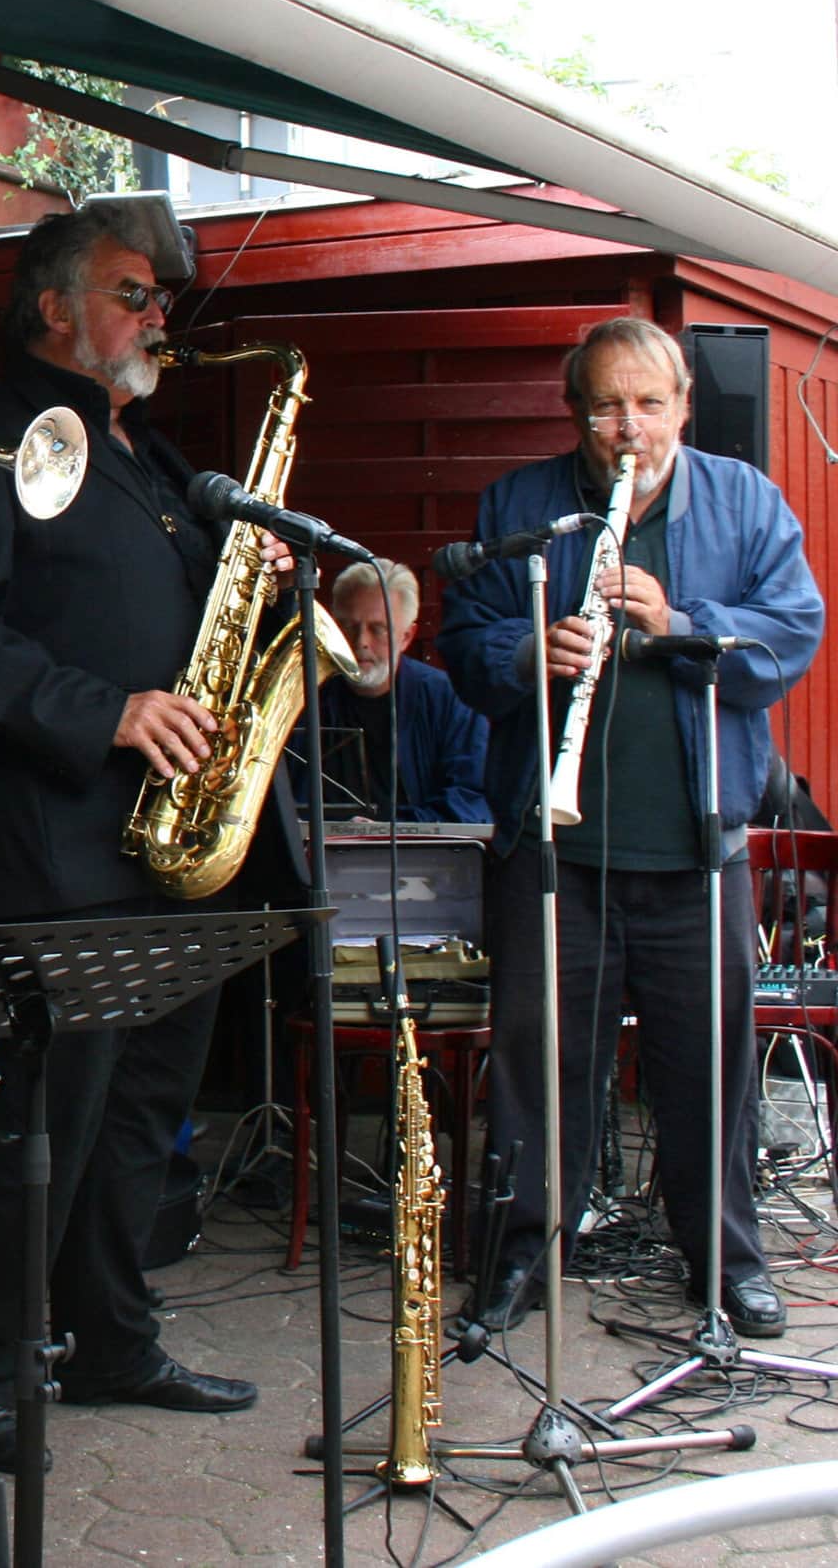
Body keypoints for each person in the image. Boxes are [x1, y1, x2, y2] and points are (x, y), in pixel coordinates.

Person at [0, 198, 285, 1476]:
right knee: (46, 1125)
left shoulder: (151, 459)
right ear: (55, 305)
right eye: (132, 289)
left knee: (144, 1115)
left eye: (161, 294)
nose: (158, 311)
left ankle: (112, 1335)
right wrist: (107, 712)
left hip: (174, 848)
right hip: (54, 847)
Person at [440, 315, 822, 1338]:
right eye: (607, 404)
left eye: (650, 403)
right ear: (576, 412)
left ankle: (725, 1261)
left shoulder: (745, 502)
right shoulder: (521, 503)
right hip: (556, 852)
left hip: (698, 857)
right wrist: (530, 654)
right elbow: (466, 637)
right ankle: (522, 1257)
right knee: (538, 1072)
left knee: (709, 1074)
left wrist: (681, 620)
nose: (629, 426)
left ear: (683, 406)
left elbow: (793, 630)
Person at [297, 555, 490, 823]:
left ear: (406, 637)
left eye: (378, 630)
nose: (361, 642)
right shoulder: (304, 696)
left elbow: (471, 800)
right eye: (348, 627)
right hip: (316, 857)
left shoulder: (451, 699)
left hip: (422, 858)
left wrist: (391, 828)